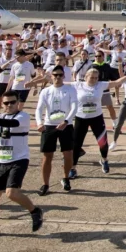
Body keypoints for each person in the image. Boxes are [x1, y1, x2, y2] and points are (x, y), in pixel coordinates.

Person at [0, 91, 44, 240]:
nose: (9, 105)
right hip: (2, 160)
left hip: (19, 159)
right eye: (6, 103)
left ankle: (34, 211)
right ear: (2, 104)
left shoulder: (22, 116)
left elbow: (11, 124)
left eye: (12, 102)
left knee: (11, 193)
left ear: (18, 102)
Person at [70, 65, 126, 177]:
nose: (94, 79)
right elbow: (61, 84)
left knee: (103, 143)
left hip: (96, 118)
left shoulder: (101, 85)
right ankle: (73, 168)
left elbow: (117, 82)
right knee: (77, 144)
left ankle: (104, 160)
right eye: (92, 77)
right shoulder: (78, 85)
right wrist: (48, 78)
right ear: (86, 76)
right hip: (81, 118)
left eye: (96, 78)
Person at [34, 65, 77, 194]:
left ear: (64, 76)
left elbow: (74, 107)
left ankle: (65, 178)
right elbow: (39, 109)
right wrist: (39, 123)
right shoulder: (46, 91)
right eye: (55, 75)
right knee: (47, 156)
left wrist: (66, 121)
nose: (57, 77)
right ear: (51, 76)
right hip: (49, 125)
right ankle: (45, 184)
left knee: (68, 155)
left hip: (66, 125)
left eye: (60, 75)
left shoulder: (70, 89)